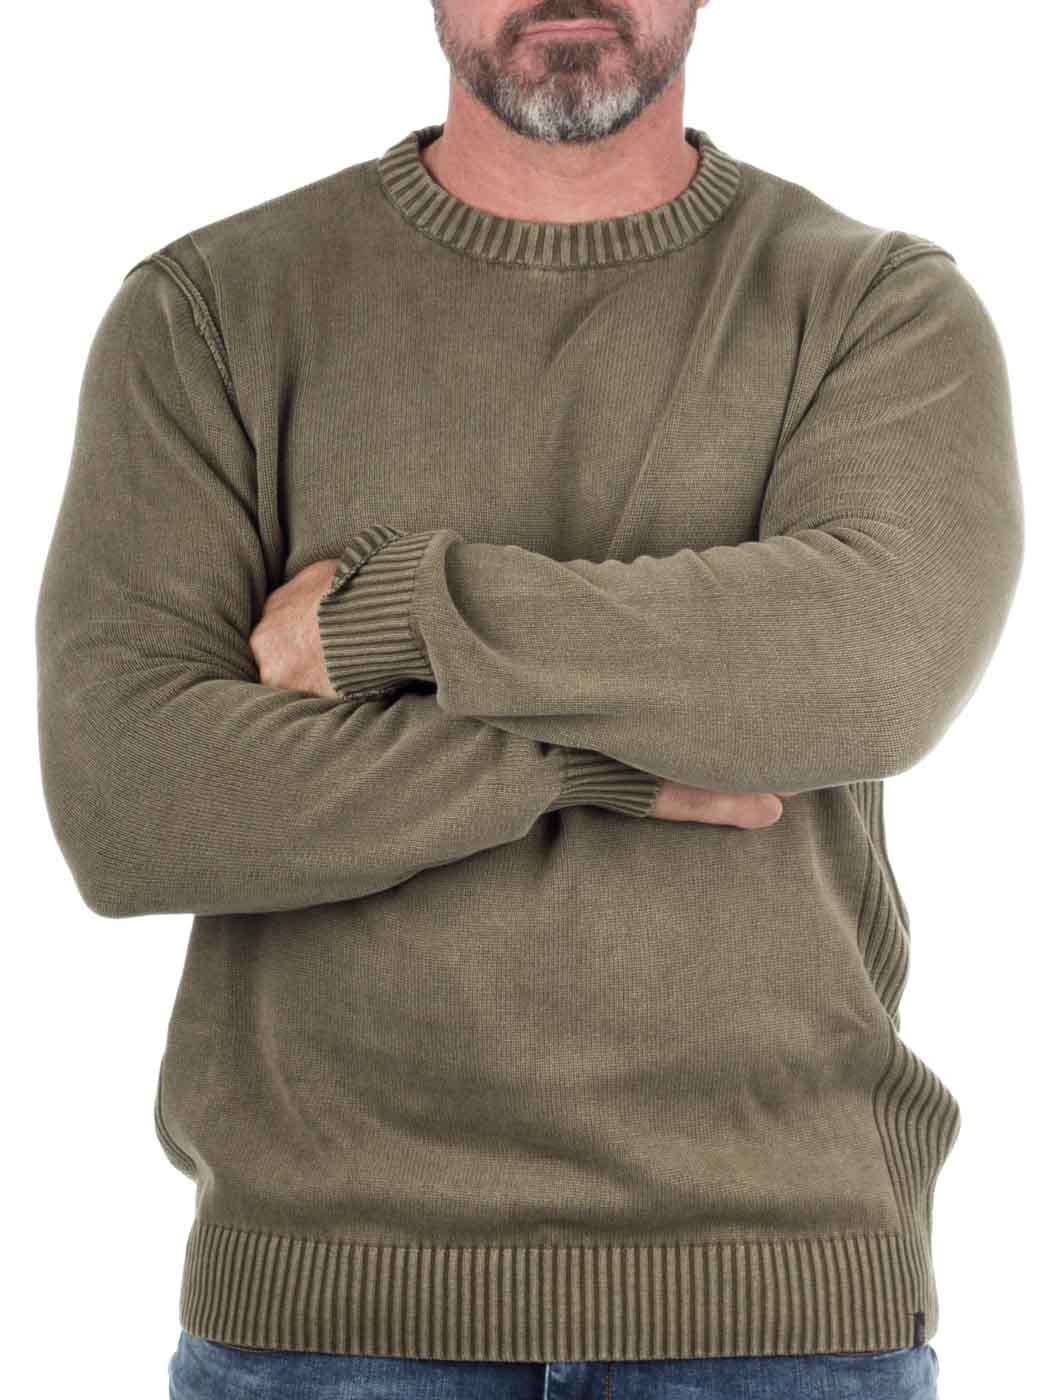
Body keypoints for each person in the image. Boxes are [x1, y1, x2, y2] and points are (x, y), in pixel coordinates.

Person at [36, 2, 1023, 1397]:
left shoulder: (872, 305)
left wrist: (393, 614)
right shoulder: (210, 311)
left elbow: (871, 667)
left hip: (773, 1306)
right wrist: (597, 765)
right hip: (328, 1307)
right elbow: (135, 804)